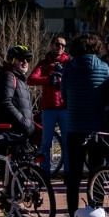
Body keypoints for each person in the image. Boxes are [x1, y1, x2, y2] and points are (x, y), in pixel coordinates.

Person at [61, 32, 109, 217]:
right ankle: (96, 213)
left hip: (75, 126)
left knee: (73, 177)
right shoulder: (105, 68)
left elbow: (64, 96)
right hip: (97, 127)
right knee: (96, 173)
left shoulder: (68, 69)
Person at [29, 34, 69, 176]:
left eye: (63, 45)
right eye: (57, 44)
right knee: (46, 143)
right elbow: (31, 79)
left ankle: (68, 174)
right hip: (49, 109)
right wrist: (48, 79)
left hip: (65, 108)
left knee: (67, 143)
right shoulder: (44, 63)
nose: (60, 47)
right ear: (52, 45)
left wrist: (63, 78)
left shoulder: (69, 62)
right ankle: (44, 175)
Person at [0, 45, 38, 141]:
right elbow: (4, 103)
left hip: (20, 133)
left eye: (28, 59)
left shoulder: (19, 80)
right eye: (21, 58)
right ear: (12, 60)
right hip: (11, 134)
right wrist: (24, 122)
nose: (25, 62)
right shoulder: (8, 77)